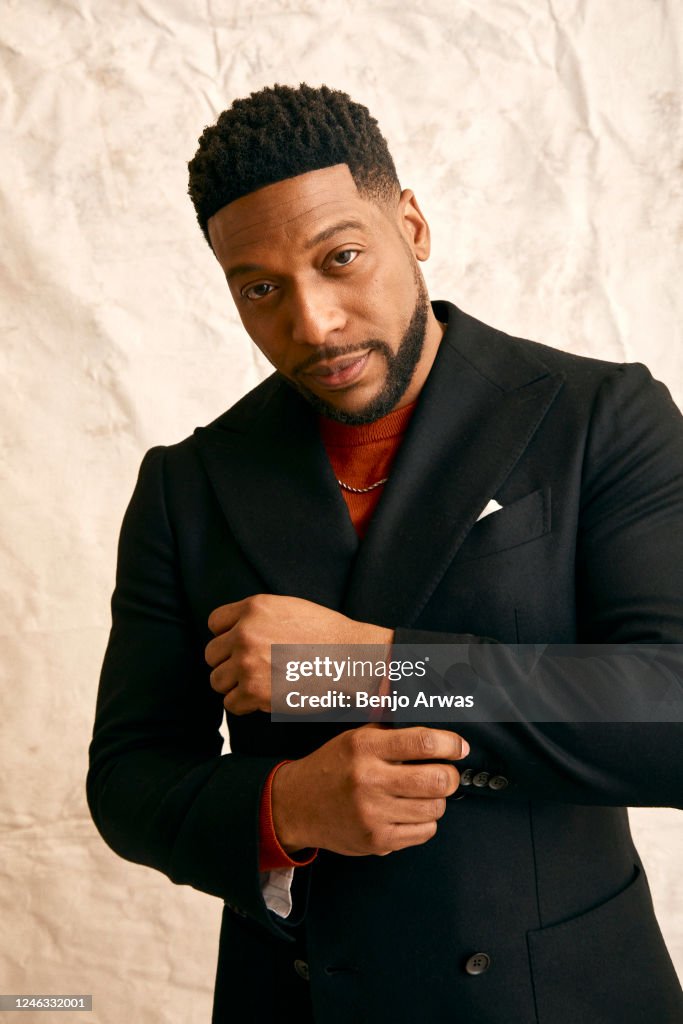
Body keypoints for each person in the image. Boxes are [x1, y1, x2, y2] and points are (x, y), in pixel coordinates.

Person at [87, 83, 683, 1023]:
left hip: (561, 995)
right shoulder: (187, 483)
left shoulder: (598, 417)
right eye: (261, 289)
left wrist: (369, 671)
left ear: (411, 225)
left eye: (341, 258)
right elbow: (129, 779)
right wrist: (284, 808)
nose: (313, 323)